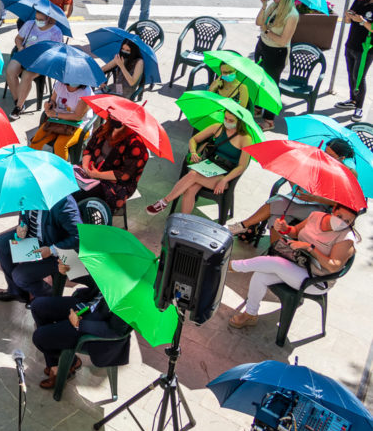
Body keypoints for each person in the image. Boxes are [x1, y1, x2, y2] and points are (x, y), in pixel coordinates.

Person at [228, 205, 359, 328]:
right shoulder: (317, 216)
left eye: (347, 221)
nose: (341, 222)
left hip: (316, 279)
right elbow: (296, 232)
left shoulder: (346, 238)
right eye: (339, 216)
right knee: (260, 275)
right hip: (297, 263)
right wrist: (285, 228)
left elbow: (333, 267)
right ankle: (250, 314)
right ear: (334, 209)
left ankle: (231, 266)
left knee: (274, 263)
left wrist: (310, 248)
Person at [227, 138, 355, 242]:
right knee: (276, 219)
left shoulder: (349, 174)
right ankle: (275, 250)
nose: (325, 156)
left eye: (330, 155)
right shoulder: (321, 161)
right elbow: (300, 178)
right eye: (325, 151)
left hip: (320, 208)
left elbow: (343, 205)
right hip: (304, 198)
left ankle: (243, 225)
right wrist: (294, 182)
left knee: (277, 202)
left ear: (341, 158)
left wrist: (314, 198)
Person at [146, 111, 254, 215]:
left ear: (239, 121)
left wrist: (225, 180)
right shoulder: (218, 127)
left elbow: (242, 166)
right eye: (225, 118)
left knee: (193, 175)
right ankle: (184, 220)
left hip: (225, 174)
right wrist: (193, 152)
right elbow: (194, 139)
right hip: (209, 165)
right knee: (190, 189)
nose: (227, 122)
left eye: (231, 120)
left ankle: (164, 202)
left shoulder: (245, 139)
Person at [30, 287, 131, 390]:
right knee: (37, 306)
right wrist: (69, 271)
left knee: (39, 338)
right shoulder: (119, 274)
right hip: (88, 304)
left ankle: (64, 365)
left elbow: (116, 331)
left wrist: (79, 324)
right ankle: (58, 364)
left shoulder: (132, 297)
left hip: (94, 326)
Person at [0, 195, 81, 302]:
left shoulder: (63, 202)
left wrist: (51, 250)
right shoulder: (27, 193)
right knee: (1, 243)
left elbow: (79, 236)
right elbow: (24, 215)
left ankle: (47, 296)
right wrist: (21, 227)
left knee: (20, 276)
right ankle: (16, 292)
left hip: (59, 251)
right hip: (35, 239)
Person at [72, 116, 150, 214]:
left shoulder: (136, 145)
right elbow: (89, 149)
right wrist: (85, 167)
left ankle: (78, 219)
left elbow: (124, 175)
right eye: (112, 113)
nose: (114, 117)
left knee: (82, 194)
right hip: (93, 169)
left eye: (118, 116)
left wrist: (96, 175)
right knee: (68, 181)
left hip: (116, 183)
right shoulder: (104, 129)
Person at [254, 0, 298, 130]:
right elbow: (259, 22)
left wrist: (266, 31)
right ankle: (258, 107)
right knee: (260, 80)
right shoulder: (273, 6)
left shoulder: (292, 15)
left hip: (276, 53)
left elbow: (283, 40)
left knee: (272, 86)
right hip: (263, 46)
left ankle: (269, 120)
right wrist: (263, 5)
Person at [6, 13, 64, 120]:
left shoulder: (56, 32)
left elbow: (58, 51)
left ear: (48, 18)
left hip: (42, 60)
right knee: (10, 70)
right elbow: (18, 38)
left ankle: (18, 107)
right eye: (36, 19)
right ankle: (18, 101)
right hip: (25, 53)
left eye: (41, 19)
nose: (38, 21)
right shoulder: (29, 24)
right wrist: (20, 47)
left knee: (27, 75)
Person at [336, 0, 373, 121]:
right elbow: (347, 22)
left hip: (365, 49)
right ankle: (353, 100)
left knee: (359, 77)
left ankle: (359, 107)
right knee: (351, 74)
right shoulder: (358, 1)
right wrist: (348, 16)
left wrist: (362, 21)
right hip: (351, 44)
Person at [28, 81, 94, 159]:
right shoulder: (59, 84)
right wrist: (49, 105)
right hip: (57, 121)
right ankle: (31, 163)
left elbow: (77, 117)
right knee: (36, 141)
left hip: (78, 124)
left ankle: (61, 170)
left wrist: (55, 114)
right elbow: (52, 100)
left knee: (60, 145)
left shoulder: (86, 92)